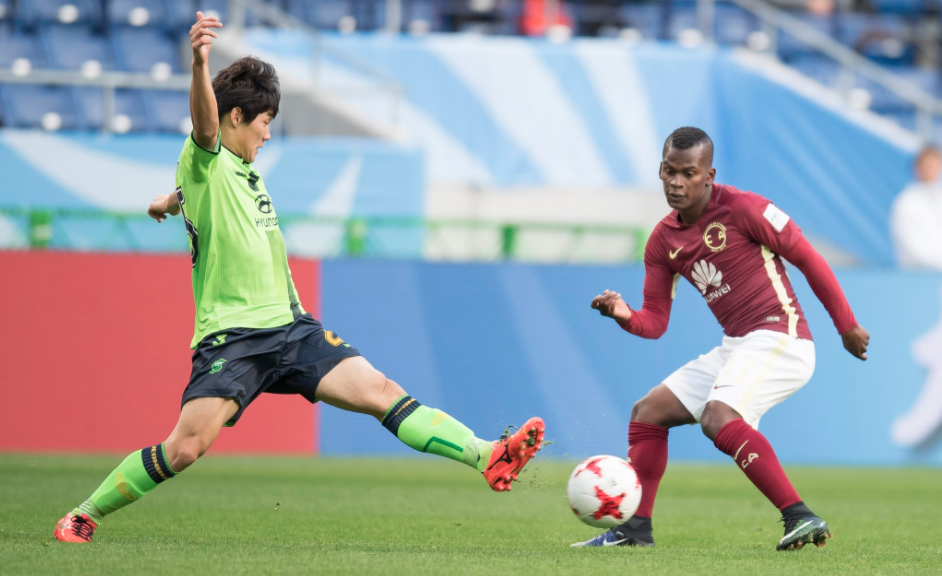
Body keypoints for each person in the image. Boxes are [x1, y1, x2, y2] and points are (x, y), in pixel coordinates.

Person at [54, 12, 544, 544]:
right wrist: (199, 64)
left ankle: (488, 457)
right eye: (264, 121)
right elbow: (203, 130)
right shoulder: (207, 154)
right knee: (185, 448)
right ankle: (83, 514)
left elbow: (201, 191)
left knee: (382, 391)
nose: (268, 132)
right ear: (237, 116)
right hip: (234, 338)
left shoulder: (237, 171)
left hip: (292, 329)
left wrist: (172, 201)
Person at [573, 127, 869, 551]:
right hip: (739, 343)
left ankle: (799, 516)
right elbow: (655, 321)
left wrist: (846, 324)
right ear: (660, 169)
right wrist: (623, 315)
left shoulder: (745, 208)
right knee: (648, 413)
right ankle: (634, 529)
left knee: (718, 416)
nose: (677, 182)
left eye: (689, 173)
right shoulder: (662, 241)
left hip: (781, 336)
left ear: (709, 175)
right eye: (669, 172)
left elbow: (807, 257)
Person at [890, 145, 942, 271]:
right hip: (917, 277)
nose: (931, 169)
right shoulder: (906, 202)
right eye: (927, 165)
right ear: (917, 168)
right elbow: (912, 246)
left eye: (935, 165)